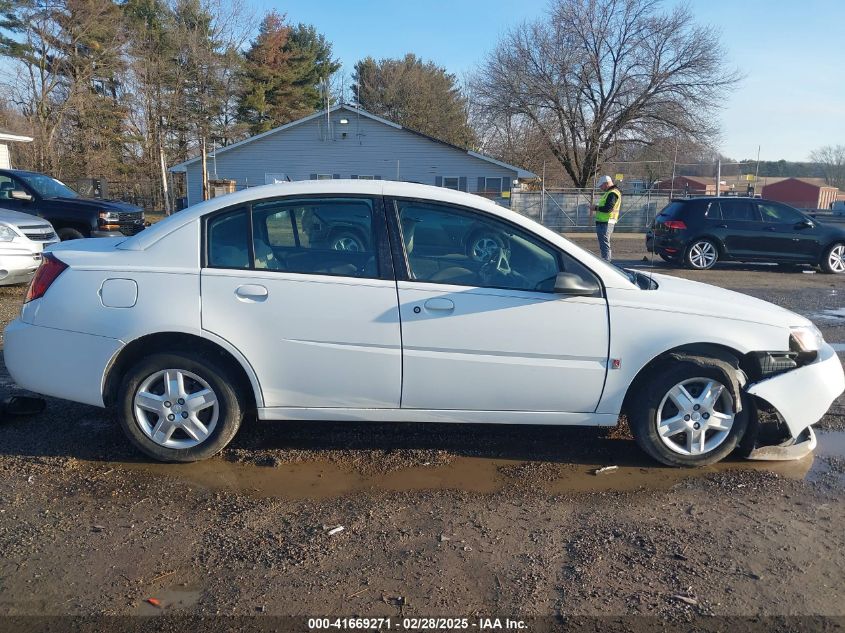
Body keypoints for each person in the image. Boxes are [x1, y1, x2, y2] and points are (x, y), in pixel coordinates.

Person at [592, 175, 621, 262]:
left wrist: (595, 208)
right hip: (603, 222)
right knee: (603, 244)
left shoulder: (613, 193)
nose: (600, 188)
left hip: (606, 222)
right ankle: (605, 260)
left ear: (606, 184)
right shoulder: (610, 193)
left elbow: (608, 208)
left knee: (605, 244)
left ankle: (606, 261)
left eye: (601, 185)